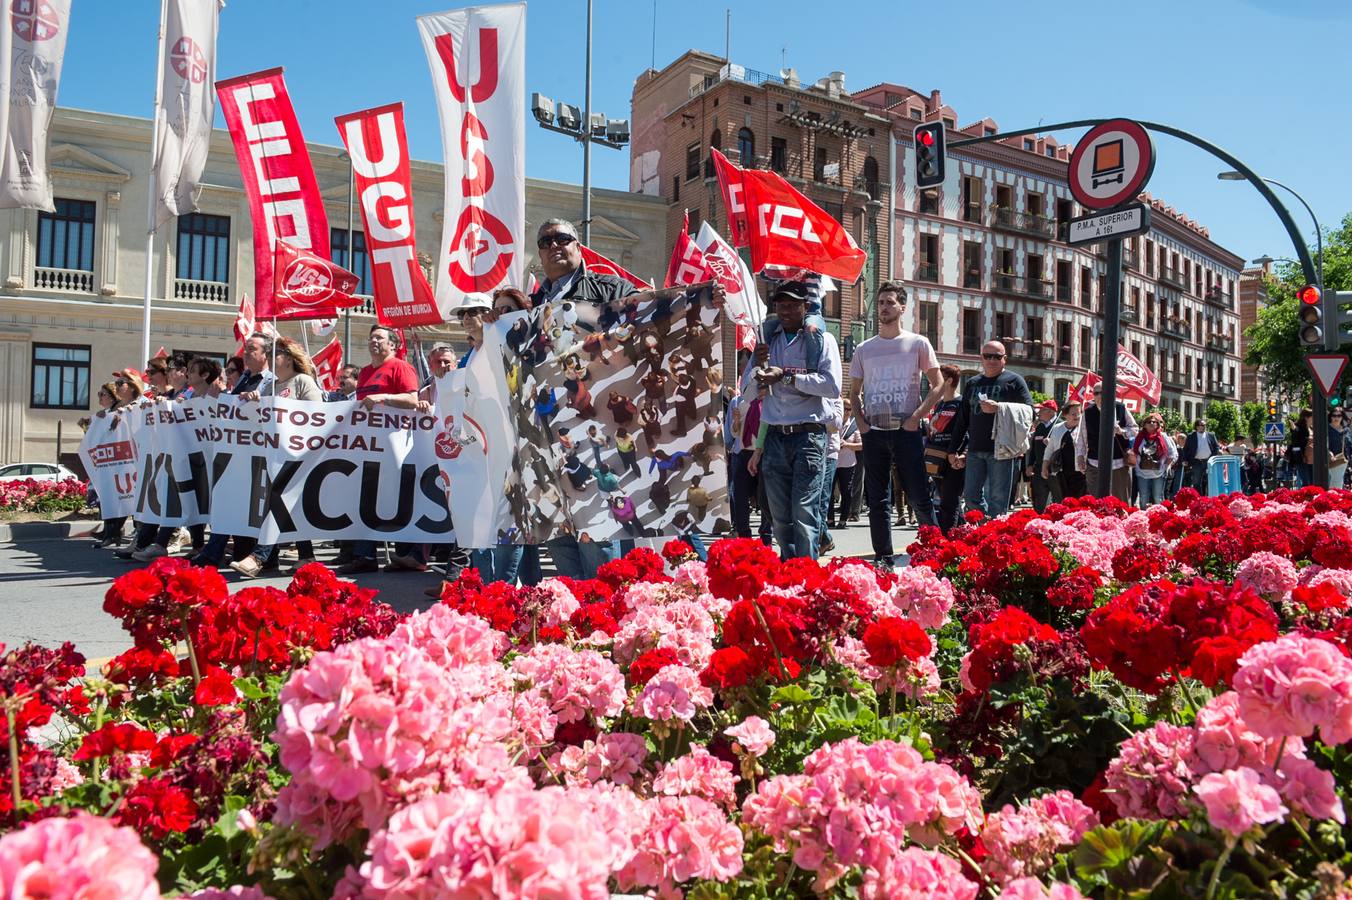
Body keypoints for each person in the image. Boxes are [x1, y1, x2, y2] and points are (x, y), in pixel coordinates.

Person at [744, 281, 842, 561]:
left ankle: (807, 575)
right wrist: (756, 371)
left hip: (808, 436)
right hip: (775, 435)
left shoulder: (822, 341)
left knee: (804, 512)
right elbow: (747, 393)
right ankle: (789, 576)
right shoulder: (766, 344)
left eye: (792, 305)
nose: (785, 311)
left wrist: (785, 377)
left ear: (805, 307)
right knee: (779, 516)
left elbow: (832, 386)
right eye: (781, 305)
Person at [846, 283, 942, 568]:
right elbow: (853, 391)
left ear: (902, 307)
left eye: (890, 302)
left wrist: (917, 417)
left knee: (918, 495)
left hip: (906, 432)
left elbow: (937, 385)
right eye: (881, 303)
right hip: (874, 433)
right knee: (877, 500)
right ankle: (883, 557)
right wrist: (861, 422)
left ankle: (937, 553)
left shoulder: (918, 343)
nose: (884, 308)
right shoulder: (864, 349)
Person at [229, 338, 323, 577]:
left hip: (299, 455)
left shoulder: (303, 381)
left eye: (276, 355)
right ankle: (306, 556)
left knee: (278, 500)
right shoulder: (270, 387)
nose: (271, 359)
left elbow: (319, 416)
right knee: (288, 505)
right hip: (274, 454)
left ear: (289, 359)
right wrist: (253, 403)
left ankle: (258, 557)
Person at [338, 325, 422, 574]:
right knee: (367, 499)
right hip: (368, 446)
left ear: (393, 345)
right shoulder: (364, 372)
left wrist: (383, 398)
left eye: (379, 338)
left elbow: (412, 400)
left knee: (394, 499)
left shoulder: (401, 367)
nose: (373, 340)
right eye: (371, 336)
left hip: (394, 445)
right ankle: (365, 555)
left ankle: (404, 555)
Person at [190, 335, 275, 568]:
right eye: (245, 349)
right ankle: (219, 552)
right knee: (229, 500)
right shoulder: (245, 377)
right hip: (238, 452)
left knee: (256, 507)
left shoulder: (271, 381)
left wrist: (260, 400)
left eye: (252, 349)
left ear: (266, 354)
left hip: (259, 453)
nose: (245, 353)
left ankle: (224, 553)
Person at [947, 341, 1034, 520]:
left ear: (1005, 359)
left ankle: (994, 539)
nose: (992, 360)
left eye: (997, 356)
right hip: (975, 450)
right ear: (981, 358)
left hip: (1002, 450)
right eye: (988, 356)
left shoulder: (1014, 380)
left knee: (998, 501)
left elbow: (1030, 411)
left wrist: (999, 408)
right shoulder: (972, 383)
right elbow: (962, 419)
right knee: (970, 498)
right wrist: (952, 449)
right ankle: (984, 530)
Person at [1075, 385, 1137, 503]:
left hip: (1118, 464)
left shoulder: (1121, 408)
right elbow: (1082, 438)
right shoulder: (1087, 412)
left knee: (1120, 502)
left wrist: (1121, 431)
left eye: (1102, 392)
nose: (1099, 396)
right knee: (1095, 502)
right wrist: (1079, 457)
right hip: (1094, 463)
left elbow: (1135, 429)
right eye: (1096, 393)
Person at [925, 365, 965, 532]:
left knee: (949, 501)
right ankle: (964, 532)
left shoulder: (961, 403)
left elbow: (965, 431)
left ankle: (948, 540)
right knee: (945, 499)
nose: (932, 384)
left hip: (953, 459)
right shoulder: (939, 404)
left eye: (938, 378)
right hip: (935, 458)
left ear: (949, 381)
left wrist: (961, 454)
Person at [1042, 402, 1087, 501]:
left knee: (1080, 500)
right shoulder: (1057, 428)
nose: (1077, 416)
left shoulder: (1084, 428)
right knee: (1064, 500)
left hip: (1080, 472)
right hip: (1061, 471)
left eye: (1079, 413)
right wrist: (1044, 466)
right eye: (1073, 414)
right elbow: (1050, 449)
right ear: (1065, 415)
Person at [1130, 412, 1177, 507]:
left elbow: (1171, 454)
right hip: (1142, 473)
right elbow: (1134, 452)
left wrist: (1167, 466)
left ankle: (1160, 517)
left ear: (1157, 424)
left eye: (1154, 422)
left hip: (1159, 473)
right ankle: (1143, 518)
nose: (1151, 423)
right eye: (1149, 421)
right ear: (1144, 425)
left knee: (1158, 497)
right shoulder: (1139, 437)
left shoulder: (1163, 436)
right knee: (1143, 497)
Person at [830, 398, 861, 530]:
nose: (847, 412)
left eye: (849, 409)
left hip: (848, 464)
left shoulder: (854, 425)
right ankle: (829, 519)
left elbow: (861, 445)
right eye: (845, 408)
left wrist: (847, 444)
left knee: (846, 492)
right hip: (832, 461)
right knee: (829, 492)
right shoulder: (833, 423)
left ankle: (843, 519)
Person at [1026, 401, 1058, 513]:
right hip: (1039, 469)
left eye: (1042, 410)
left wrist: (1053, 443)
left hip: (1055, 470)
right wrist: (1030, 464)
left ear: (1050, 412)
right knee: (1039, 501)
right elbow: (1034, 448)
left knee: (1058, 500)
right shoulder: (1039, 427)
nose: (1038, 413)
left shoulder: (1059, 426)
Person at [1182, 418, 1222, 492]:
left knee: (1209, 481)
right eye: (1202, 425)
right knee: (1196, 482)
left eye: (1204, 425)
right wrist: (1185, 460)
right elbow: (1185, 449)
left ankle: (1208, 498)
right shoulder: (1191, 436)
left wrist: (1213, 457)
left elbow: (1216, 446)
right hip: (1196, 462)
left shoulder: (1211, 435)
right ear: (1197, 427)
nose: (1204, 427)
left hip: (1209, 461)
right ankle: (1198, 499)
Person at [1288, 409, 1315, 488]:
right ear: (1306, 418)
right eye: (1312, 417)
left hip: (1313, 460)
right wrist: (1293, 429)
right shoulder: (1299, 428)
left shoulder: (1312, 428)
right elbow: (1295, 435)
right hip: (1303, 458)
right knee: (1306, 482)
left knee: (1313, 482)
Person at [1330, 409, 1349, 490]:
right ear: (1330, 417)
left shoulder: (1346, 430)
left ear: (1342, 417)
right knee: (1333, 482)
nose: (1336, 418)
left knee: (1340, 482)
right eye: (1334, 415)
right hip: (1332, 460)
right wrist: (1329, 453)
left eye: (1339, 416)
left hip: (1344, 460)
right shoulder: (1327, 429)